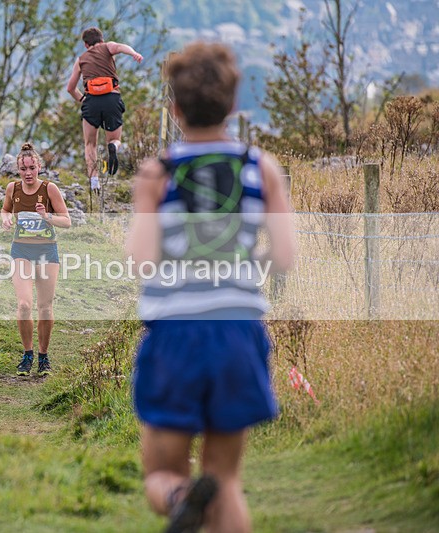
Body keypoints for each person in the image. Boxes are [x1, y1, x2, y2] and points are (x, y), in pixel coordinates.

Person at [125, 42, 296, 533]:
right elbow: (284, 257)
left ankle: (180, 497)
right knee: (225, 479)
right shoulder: (260, 168)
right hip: (237, 333)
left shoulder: (158, 172)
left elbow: (140, 260)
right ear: (234, 105)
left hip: (175, 336)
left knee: (161, 473)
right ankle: (199, 498)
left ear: (174, 108)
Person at [1, 143, 71, 376]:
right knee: (23, 305)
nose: (28, 173)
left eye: (32, 168)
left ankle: (43, 356)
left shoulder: (50, 189)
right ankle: (27, 354)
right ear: (18, 170)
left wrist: (47, 216)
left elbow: (66, 221)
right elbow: (5, 209)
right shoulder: (13, 188)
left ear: (39, 167)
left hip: (47, 252)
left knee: (45, 307)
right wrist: (5, 219)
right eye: (23, 169)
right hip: (21, 250)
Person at [66, 27, 143, 193]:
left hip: (91, 101)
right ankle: (114, 147)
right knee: (114, 139)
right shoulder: (108, 47)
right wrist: (134, 53)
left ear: (86, 45)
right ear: (101, 40)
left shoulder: (80, 60)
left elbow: (70, 88)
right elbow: (122, 47)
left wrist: (83, 99)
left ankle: (94, 182)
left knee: (90, 144)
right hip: (111, 98)